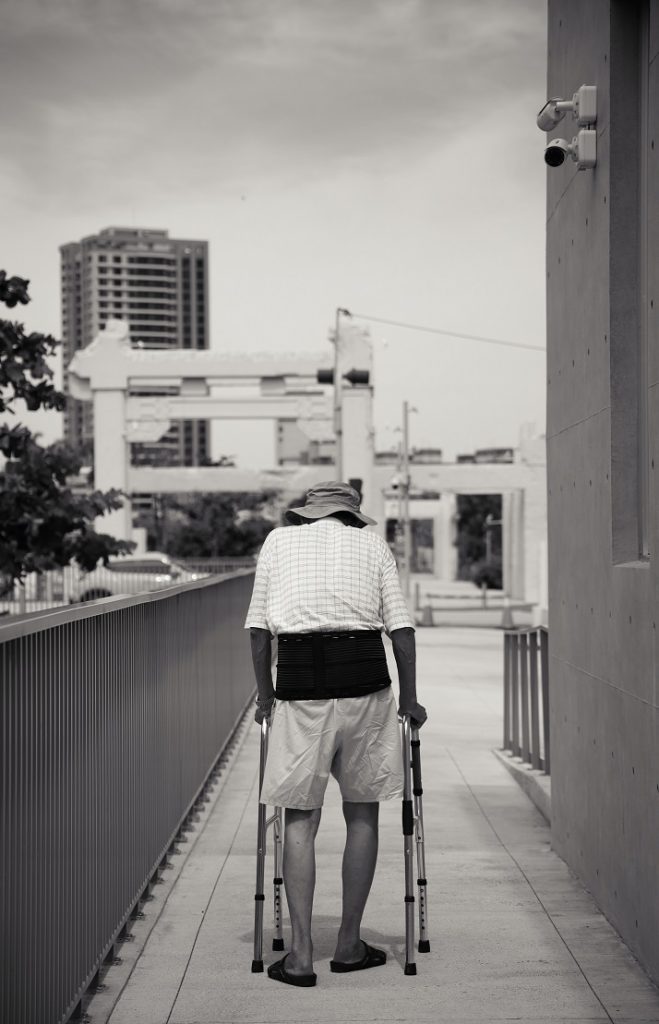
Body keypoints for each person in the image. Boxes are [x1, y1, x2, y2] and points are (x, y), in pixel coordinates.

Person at [244, 481, 427, 988]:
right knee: (362, 812)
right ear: (352, 515)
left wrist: (265, 698)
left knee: (300, 817)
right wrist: (410, 701)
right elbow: (401, 631)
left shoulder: (277, 541)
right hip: (366, 685)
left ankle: (301, 955)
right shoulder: (373, 545)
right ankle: (348, 945)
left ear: (307, 512)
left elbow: (258, 633)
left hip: (300, 687)